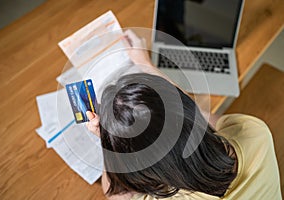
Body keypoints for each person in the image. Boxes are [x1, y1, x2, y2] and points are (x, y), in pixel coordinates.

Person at [85, 31, 282, 200]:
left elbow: (114, 194)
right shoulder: (254, 131)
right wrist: (147, 65)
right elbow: (199, 115)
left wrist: (107, 141)